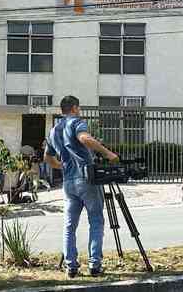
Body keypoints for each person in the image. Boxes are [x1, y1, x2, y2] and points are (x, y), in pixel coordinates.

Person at [44, 96, 119, 278]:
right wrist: (109, 154)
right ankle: (95, 264)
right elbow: (84, 138)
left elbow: (47, 157)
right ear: (75, 108)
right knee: (96, 219)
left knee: (70, 225)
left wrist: (61, 165)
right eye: (79, 108)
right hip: (86, 179)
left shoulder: (54, 130)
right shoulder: (76, 122)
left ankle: (71, 266)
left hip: (68, 182)